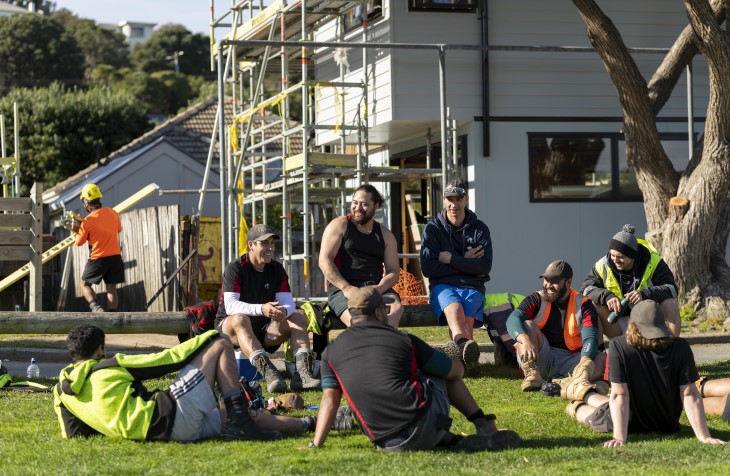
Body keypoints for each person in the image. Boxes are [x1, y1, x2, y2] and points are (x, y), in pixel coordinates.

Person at [308, 286, 521, 452]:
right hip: (424, 425)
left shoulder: (331, 352)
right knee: (436, 372)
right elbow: (455, 373)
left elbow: (330, 400)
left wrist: (316, 444)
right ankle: (483, 424)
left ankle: (454, 441)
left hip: (384, 442)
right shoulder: (403, 340)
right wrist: (448, 359)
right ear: (379, 312)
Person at [53, 324, 281, 441]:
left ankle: (307, 423)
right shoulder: (111, 366)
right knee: (220, 343)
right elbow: (166, 360)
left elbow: (73, 434)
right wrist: (208, 336)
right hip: (167, 419)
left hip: (156, 431)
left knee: (226, 416)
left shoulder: (61, 389)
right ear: (101, 349)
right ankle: (240, 419)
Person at [564, 300, 725, 447]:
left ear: (632, 326)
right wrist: (704, 437)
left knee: (605, 409)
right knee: (588, 412)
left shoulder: (619, 346)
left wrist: (620, 438)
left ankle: (584, 392)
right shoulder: (680, 346)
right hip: (664, 423)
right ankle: (577, 404)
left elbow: (619, 395)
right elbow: (690, 394)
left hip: (628, 418)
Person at [215, 224, 319, 394]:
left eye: (272, 243)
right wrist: (262, 309)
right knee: (240, 318)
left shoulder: (277, 269)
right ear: (251, 245)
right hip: (229, 330)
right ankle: (270, 375)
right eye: (264, 243)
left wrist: (283, 312)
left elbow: (288, 302)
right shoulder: (235, 268)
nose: (270, 248)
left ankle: (303, 376)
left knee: (299, 316)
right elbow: (231, 306)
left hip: (264, 329)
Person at [420, 179, 493, 371]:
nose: (454, 204)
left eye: (458, 198)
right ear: (444, 200)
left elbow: (484, 267)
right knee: (455, 313)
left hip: (472, 284)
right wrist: (466, 261)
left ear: (466, 199)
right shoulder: (433, 228)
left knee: (466, 324)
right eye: (449, 199)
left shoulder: (480, 229)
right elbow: (428, 268)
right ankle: (467, 355)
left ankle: (462, 360)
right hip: (443, 285)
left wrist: (451, 259)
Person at [506, 260, 606, 393]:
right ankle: (533, 375)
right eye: (546, 280)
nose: (548, 285)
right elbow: (513, 318)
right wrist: (524, 339)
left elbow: (590, 339)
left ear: (568, 282)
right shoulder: (537, 298)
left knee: (602, 359)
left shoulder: (584, 304)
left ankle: (568, 381)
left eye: (554, 281)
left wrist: (585, 362)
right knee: (527, 325)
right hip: (541, 357)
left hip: (571, 360)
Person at [318, 184, 403, 328]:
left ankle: (388, 346)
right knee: (361, 323)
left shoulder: (386, 235)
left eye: (364, 204)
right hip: (343, 289)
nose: (357, 208)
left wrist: (379, 288)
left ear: (376, 206)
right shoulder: (339, 225)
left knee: (395, 309)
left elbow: (394, 271)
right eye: (355, 203)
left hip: (375, 287)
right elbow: (324, 260)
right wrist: (346, 288)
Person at [581, 224, 680, 338]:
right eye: (612, 255)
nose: (615, 260)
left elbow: (672, 289)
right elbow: (585, 289)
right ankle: (599, 351)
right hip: (616, 323)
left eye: (620, 257)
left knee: (671, 303)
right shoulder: (602, 264)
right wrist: (606, 296)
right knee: (592, 304)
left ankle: (670, 349)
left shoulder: (654, 262)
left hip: (648, 322)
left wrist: (645, 294)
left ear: (633, 256)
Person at [72, 183, 124, 313]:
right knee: (111, 288)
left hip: (98, 258)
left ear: (86, 202)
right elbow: (118, 229)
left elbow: (78, 242)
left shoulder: (87, 221)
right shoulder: (112, 212)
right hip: (116, 257)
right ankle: (113, 318)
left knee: (84, 284)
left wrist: (75, 231)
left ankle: (96, 308)